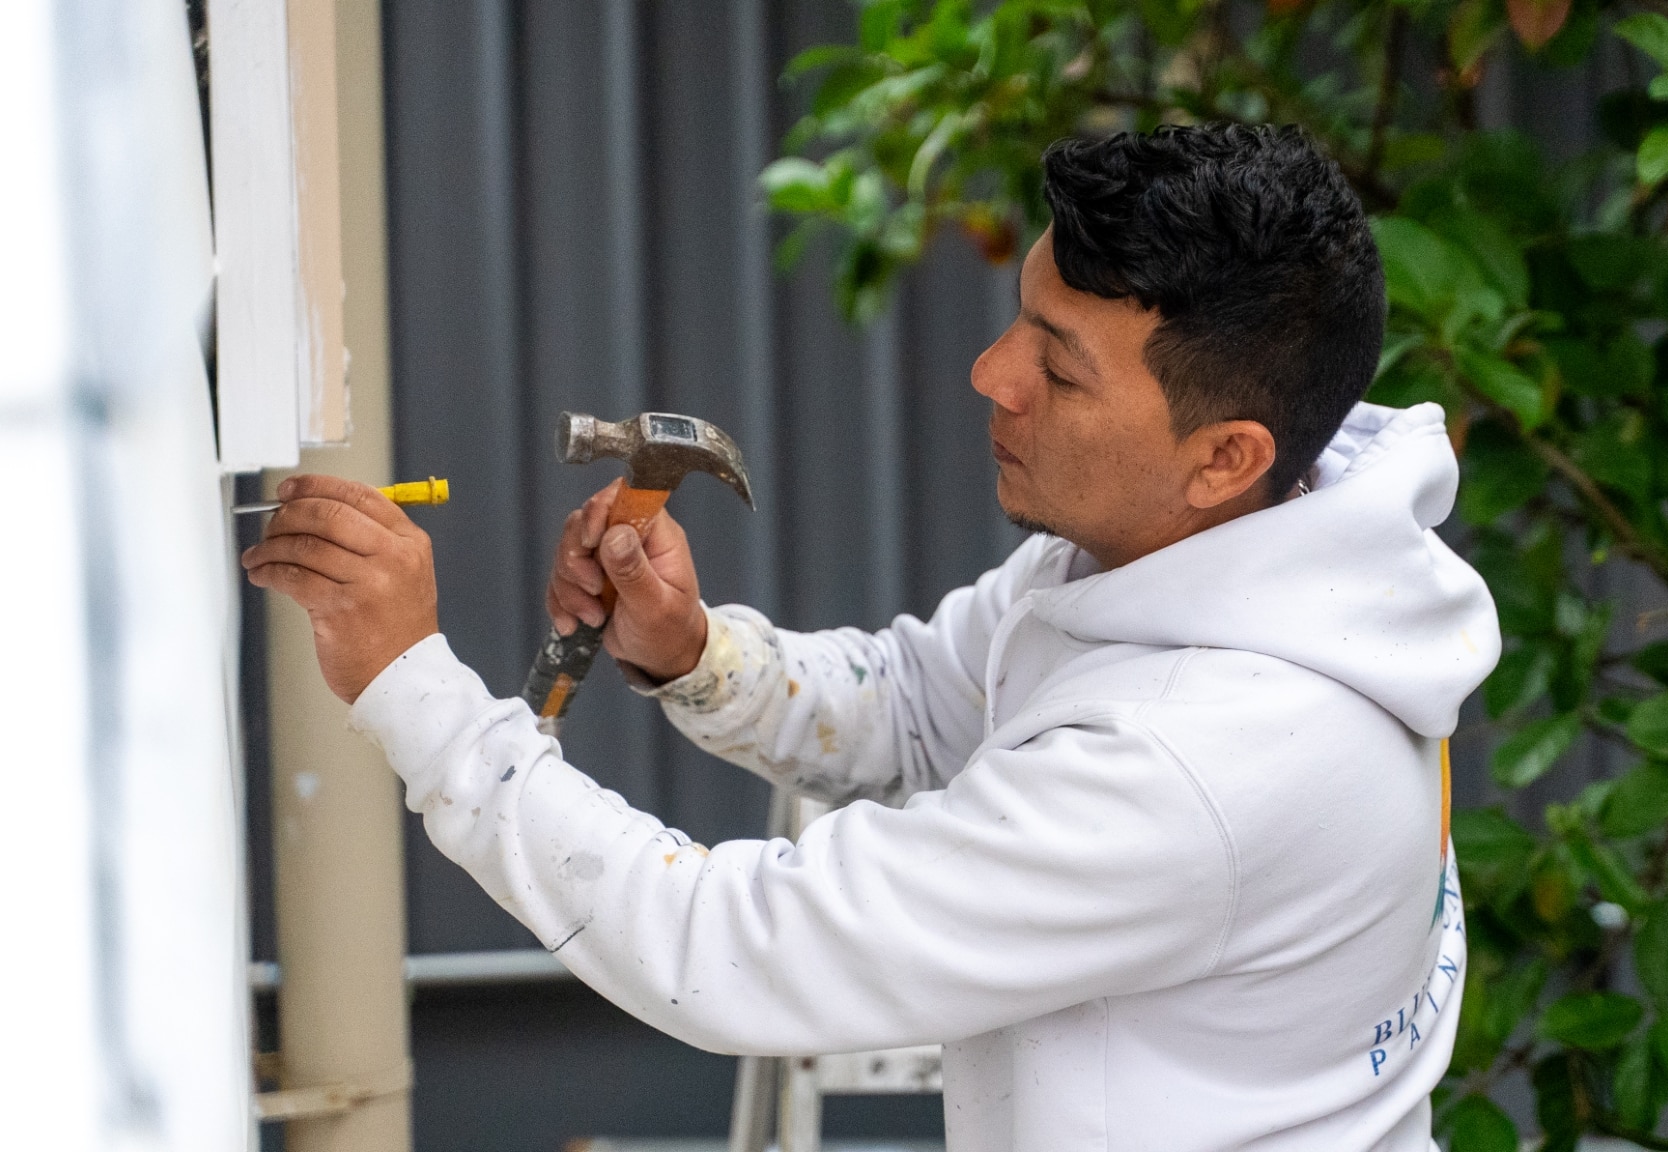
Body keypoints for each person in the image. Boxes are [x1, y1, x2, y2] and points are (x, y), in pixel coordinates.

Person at [243, 124, 1500, 1151]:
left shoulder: (1196, 761)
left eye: (1057, 370)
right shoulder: (1201, 550)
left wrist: (414, 689)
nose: (988, 373)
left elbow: (729, 950)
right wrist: (696, 652)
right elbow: (915, 705)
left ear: (1222, 457)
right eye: (1021, 318)